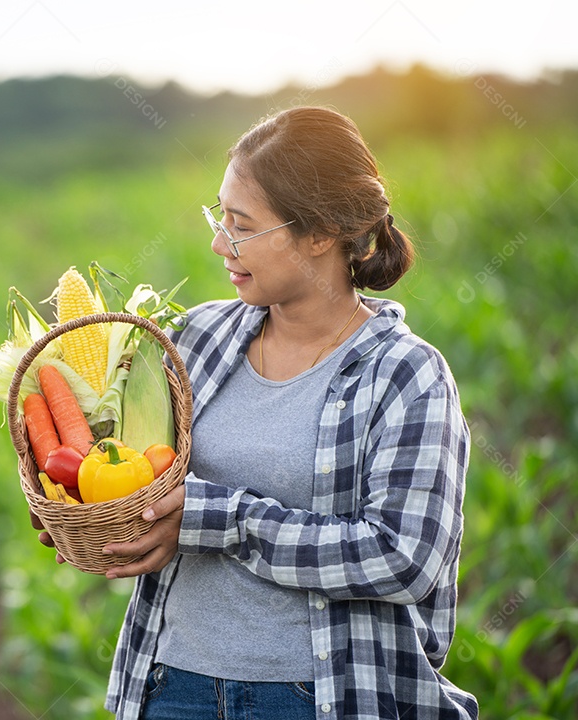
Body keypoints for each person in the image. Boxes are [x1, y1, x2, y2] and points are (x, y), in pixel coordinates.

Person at [34, 106, 477, 719]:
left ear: (320, 233)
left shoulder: (404, 375)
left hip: (319, 698)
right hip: (172, 686)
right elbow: (135, 471)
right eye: (218, 216)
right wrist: (93, 515)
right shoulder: (194, 339)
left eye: (240, 226)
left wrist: (229, 520)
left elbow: (403, 559)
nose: (219, 243)